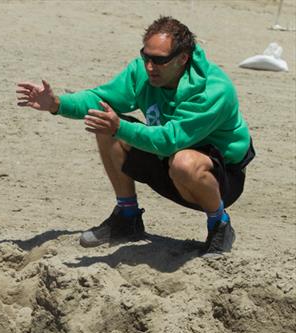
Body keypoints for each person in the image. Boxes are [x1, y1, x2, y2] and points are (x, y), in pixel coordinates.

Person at [16, 16, 254, 256]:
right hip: (168, 160)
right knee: (105, 122)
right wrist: (57, 103)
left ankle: (219, 224)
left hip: (220, 178)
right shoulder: (143, 71)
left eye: (159, 60)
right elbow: (101, 99)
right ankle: (127, 217)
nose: (150, 66)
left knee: (182, 161)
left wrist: (120, 127)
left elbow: (169, 141)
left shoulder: (213, 89)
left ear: (183, 58)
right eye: (146, 56)